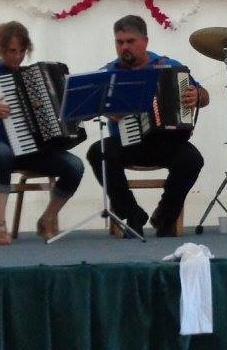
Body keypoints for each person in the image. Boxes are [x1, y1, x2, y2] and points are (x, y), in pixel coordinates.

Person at [0, 21, 84, 244]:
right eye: (12, 51)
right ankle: (0, 226)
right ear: (1, 49)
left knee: (75, 166)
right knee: (2, 154)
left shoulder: (32, 75)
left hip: (31, 151)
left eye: (22, 51)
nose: (17, 57)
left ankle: (47, 218)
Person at [85, 14, 209, 238]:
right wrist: (104, 107)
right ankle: (132, 213)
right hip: (127, 143)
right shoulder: (108, 73)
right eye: (119, 42)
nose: (124, 47)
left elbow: (204, 96)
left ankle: (164, 217)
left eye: (130, 41)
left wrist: (197, 95)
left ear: (145, 41)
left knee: (192, 159)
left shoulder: (169, 66)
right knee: (97, 152)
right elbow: (86, 106)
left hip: (166, 142)